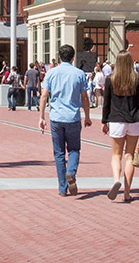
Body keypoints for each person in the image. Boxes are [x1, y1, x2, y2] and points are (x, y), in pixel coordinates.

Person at [38, 44, 91, 197]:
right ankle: (71, 172)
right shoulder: (79, 74)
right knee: (74, 149)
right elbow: (84, 97)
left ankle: (62, 188)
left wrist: (41, 116)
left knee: (59, 153)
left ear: (59, 57)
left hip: (56, 117)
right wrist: (87, 116)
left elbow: (44, 95)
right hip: (73, 117)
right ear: (73, 58)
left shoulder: (51, 73)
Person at [101, 50, 139, 202]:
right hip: (134, 121)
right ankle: (127, 193)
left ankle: (116, 180)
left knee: (116, 155)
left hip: (116, 120)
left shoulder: (111, 79)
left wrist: (104, 121)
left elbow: (106, 103)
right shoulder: (137, 80)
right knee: (130, 156)